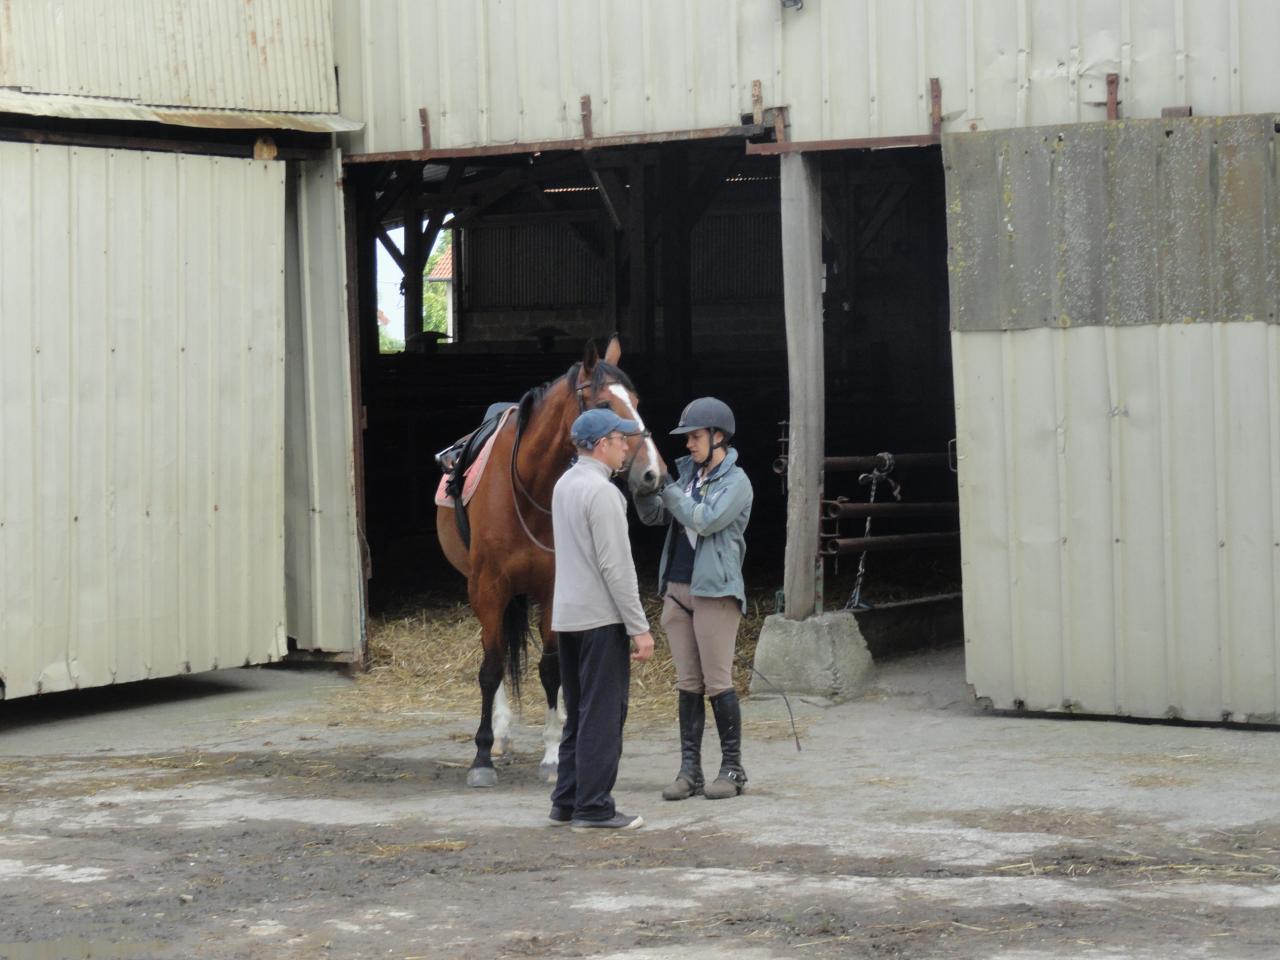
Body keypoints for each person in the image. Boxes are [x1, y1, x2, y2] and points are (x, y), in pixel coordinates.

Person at [635, 397, 753, 801]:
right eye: (687, 438)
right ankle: (690, 771)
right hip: (678, 590)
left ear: (719, 437)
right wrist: (644, 487)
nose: (688, 444)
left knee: (718, 682)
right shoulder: (686, 476)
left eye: (695, 437)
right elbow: (654, 518)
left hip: (715, 592)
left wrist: (668, 489)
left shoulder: (737, 484)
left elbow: (704, 521)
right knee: (688, 684)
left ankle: (732, 769)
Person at [548, 407, 656, 830]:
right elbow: (616, 567)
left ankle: (567, 799)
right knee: (604, 713)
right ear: (600, 445)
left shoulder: (563, 485)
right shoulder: (604, 493)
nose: (627, 447)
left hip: (568, 615)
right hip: (600, 617)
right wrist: (639, 627)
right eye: (619, 439)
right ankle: (594, 806)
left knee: (578, 710)